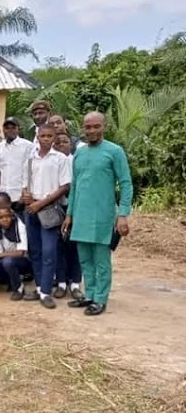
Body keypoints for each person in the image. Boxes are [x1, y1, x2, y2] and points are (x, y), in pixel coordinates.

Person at [62, 111, 133, 316]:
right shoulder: (79, 154)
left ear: (104, 127)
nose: (91, 130)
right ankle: (89, 295)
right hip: (81, 216)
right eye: (88, 127)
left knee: (101, 260)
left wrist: (123, 214)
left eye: (96, 126)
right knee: (85, 259)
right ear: (83, 128)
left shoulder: (114, 151)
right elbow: (75, 186)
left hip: (103, 214)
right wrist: (70, 214)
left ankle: (101, 299)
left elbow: (126, 183)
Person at [21, 123, 71, 309]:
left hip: (49, 209)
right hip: (31, 209)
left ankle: (47, 292)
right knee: (35, 251)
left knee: (49, 251)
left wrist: (40, 203)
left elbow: (64, 186)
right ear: (37, 137)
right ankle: (41, 287)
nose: (46, 139)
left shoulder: (60, 159)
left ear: (54, 138)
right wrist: (26, 195)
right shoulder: (30, 159)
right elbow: (25, 183)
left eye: (50, 136)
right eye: (43, 136)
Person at [53, 133, 83, 300]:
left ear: (71, 145)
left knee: (75, 246)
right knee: (58, 246)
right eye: (57, 142)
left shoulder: (76, 161)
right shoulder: (53, 160)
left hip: (76, 208)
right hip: (54, 209)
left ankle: (75, 283)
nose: (61, 144)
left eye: (65, 141)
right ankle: (61, 282)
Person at [0, 206, 31, 300]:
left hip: (23, 261)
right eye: (1, 217)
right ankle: (11, 280)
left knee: (8, 262)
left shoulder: (19, 226)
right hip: (5, 259)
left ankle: (18, 288)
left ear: (12, 216)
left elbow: (20, 253)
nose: (5, 220)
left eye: (7, 216)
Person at [0, 117, 34, 219]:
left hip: (21, 197)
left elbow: (30, 172)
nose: (10, 130)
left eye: (13, 127)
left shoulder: (27, 146)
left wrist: (24, 195)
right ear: (3, 130)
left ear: (18, 129)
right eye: (7, 128)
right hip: (4, 198)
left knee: (23, 229)